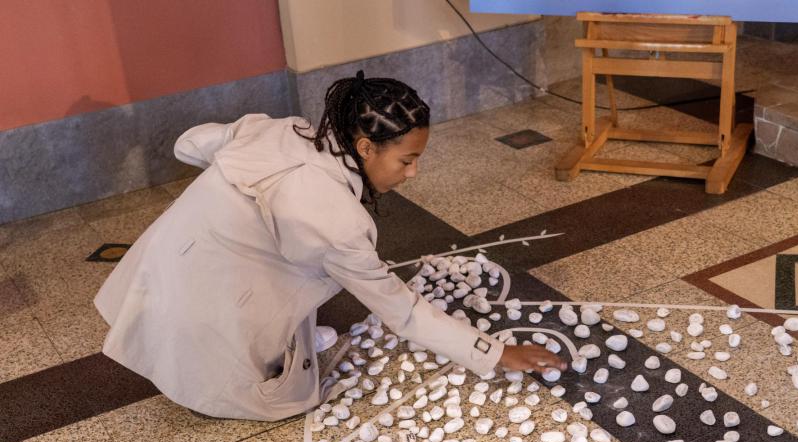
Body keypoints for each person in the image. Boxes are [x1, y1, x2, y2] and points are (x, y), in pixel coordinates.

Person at [94, 71, 565, 421]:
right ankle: (234, 369)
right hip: (202, 316)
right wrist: (495, 353)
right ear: (365, 148)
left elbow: (192, 143)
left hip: (160, 271)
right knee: (293, 396)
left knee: (297, 273)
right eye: (407, 160)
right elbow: (399, 309)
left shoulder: (285, 129)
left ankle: (273, 335)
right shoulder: (335, 221)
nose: (413, 173)